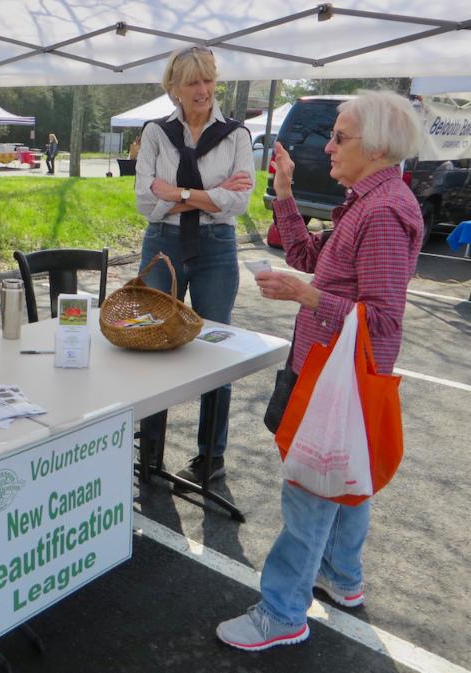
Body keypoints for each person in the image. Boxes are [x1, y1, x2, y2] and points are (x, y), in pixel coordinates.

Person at [217, 91, 423, 650]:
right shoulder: (369, 201)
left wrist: (309, 298)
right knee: (345, 480)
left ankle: (283, 613)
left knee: (309, 490)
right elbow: (312, 259)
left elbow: (382, 320)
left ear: (377, 147)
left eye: (340, 136)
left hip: (341, 374)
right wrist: (284, 194)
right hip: (335, 368)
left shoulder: (381, 212)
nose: (326, 146)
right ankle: (342, 577)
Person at [134, 45, 254, 484]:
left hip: (216, 249)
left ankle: (210, 457)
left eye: (208, 80)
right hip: (162, 245)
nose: (203, 90)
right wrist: (210, 194)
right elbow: (146, 202)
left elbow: (237, 202)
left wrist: (178, 194)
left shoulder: (237, 136)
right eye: (192, 82)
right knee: (152, 342)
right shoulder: (154, 133)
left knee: (215, 351)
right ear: (174, 89)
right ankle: (150, 451)